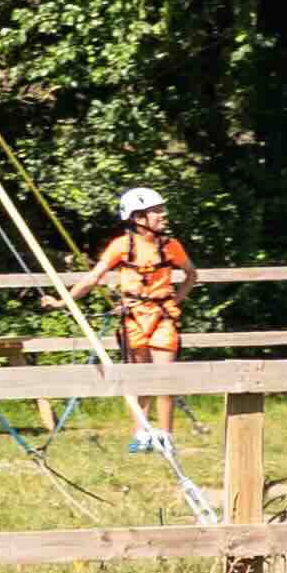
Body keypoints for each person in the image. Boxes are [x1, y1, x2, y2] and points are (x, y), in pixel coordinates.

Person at [93, 183, 197, 460]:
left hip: (162, 317)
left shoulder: (171, 246)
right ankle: (141, 432)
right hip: (134, 318)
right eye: (157, 211)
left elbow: (191, 275)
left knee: (165, 378)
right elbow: (94, 277)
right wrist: (62, 301)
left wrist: (175, 301)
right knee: (140, 378)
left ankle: (165, 435)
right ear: (139, 218)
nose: (163, 216)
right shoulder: (121, 246)